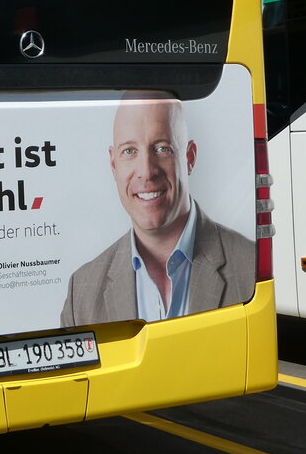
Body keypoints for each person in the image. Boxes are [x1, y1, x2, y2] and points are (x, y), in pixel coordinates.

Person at [59, 93, 254, 326]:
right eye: (129, 151)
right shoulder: (81, 292)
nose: (146, 171)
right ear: (114, 165)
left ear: (189, 158)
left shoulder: (250, 266)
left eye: (162, 148)